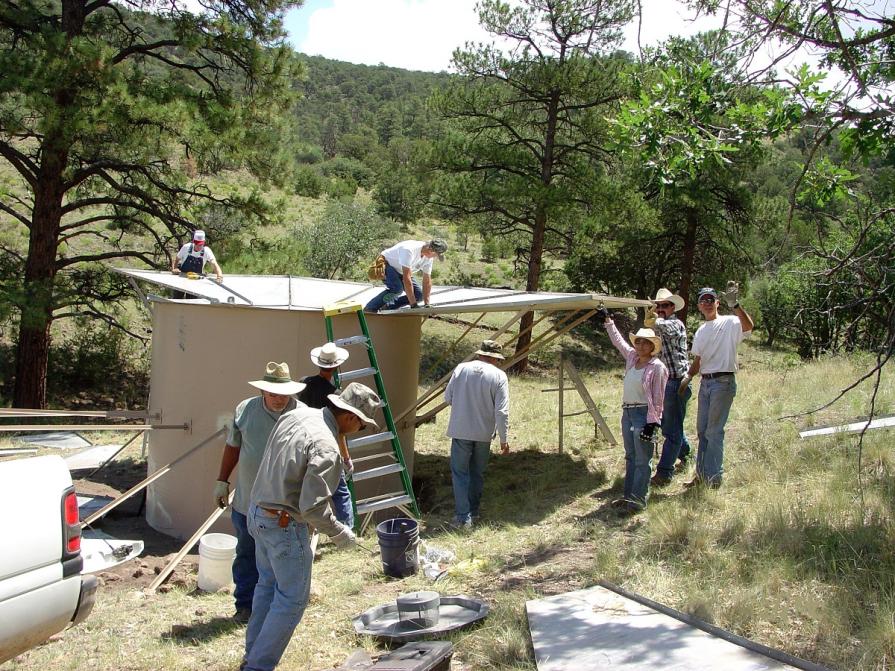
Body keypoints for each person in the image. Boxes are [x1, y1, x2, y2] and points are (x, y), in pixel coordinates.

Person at [242, 383, 378, 671]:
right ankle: (257, 666)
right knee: (292, 599)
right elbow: (312, 508)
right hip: (284, 525)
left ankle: (252, 655)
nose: (360, 430)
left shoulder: (297, 415)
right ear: (350, 417)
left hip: (257, 513)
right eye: (362, 425)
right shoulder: (327, 448)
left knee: (267, 585)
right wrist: (341, 533)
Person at [212, 362, 304, 624]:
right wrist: (222, 480)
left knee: (282, 557)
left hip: (285, 505)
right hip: (247, 500)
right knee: (246, 555)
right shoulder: (246, 410)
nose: (279, 399)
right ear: (263, 391)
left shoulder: (302, 414)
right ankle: (245, 607)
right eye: (273, 393)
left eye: (284, 393)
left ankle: (279, 608)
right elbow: (232, 447)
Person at [679, 282, 754, 489]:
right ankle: (701, 476)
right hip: (706, 383)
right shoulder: (702, 330)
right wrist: (688, 376)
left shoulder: (730, 322)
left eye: (711, 299)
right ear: (699, 306)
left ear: (718, 303)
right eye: (703, 300)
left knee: (714, 431)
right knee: (702, 431)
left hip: (723, 382)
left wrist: (736, 305)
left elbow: (748, 327)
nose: (707, 303)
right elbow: (699, 359)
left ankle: (714, 478)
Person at [599, 308, 668, 513]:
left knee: (642, 459)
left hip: (644, 415)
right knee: (630, 456)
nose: (640, 345)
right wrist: (609, 322)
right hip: (628, 413)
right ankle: (628, 496)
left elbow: (658, 399)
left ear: (652, 346)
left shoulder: (657, 368)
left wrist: (653, 423)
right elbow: (618, 342)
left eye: (645, 342)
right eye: (638, 341)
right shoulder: (632, 358)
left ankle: (637, 501)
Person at [444, 339, 510, 529]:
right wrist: (504, 440)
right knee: (477, 473)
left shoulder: (461, 368)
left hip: (460, 429)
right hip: (483, 433)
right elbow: (502, 411)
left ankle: (463, 518)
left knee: (460, 473)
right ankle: (474, 511)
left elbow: (448, 397)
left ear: (480, 353)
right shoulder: (499, 376)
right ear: (495, 358)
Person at [298, 342, 354, 529]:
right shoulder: (335, 395)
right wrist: (346, 458)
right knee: (340, 492)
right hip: (326, 446)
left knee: (305, 491)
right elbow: (340, 431)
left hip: (303, 444)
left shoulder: (303, 383)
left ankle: (305, 527)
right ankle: (346, 530)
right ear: (336, 366)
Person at [643, 288, 693, 486]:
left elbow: (665, 328)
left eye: (664, 306)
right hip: (665, 383)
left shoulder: (675, 323)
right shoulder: (659, 326)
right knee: (669, 426)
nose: (661, 309)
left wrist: (654, 319)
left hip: (676, 382)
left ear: (673, 307)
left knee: (670, 431)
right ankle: (687, 454)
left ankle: (664, 473)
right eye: (658, 306)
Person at [364, 238, 447, 312]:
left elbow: (427, 281)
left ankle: (387, 307)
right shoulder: (409, 250)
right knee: (397, 289)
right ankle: (370, 309)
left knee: (419, 295)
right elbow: (407, 279)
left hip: (401, 270)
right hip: (388, 264)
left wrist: (427, 304)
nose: (435, 257)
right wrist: (413, 305)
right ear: (430, 250)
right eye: (436, 255)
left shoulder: (428, 258)